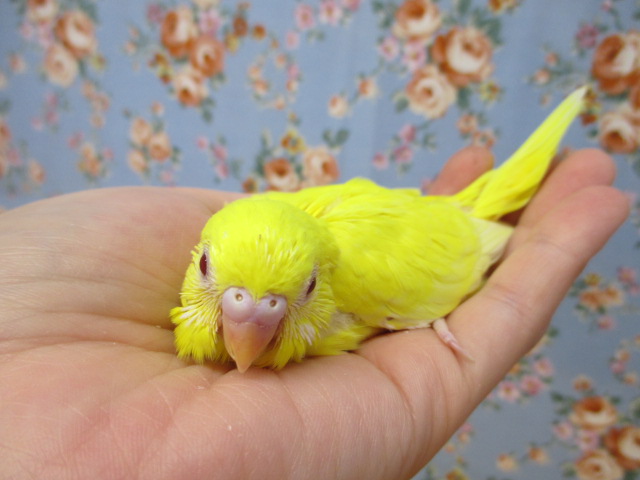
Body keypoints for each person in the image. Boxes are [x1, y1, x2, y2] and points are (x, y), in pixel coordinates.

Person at [0, 146, 629, 479]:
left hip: (446, 231)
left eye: (296, 294)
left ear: (321, 283)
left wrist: (430, 308)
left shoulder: (368, 271)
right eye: (211, 274)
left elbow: (476, 242)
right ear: (199, 256)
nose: (245, 327)